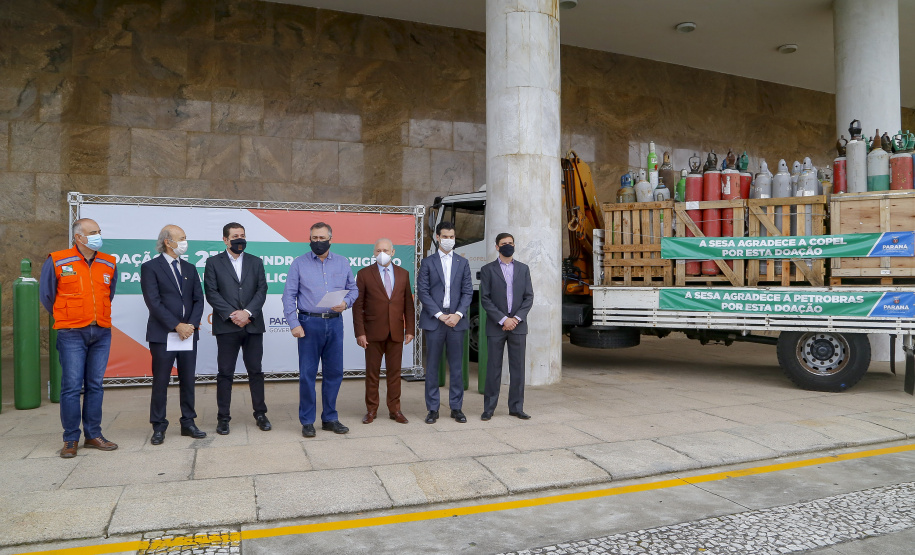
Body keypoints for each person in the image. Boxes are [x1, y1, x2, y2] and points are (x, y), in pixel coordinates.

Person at [39, 218, 119, 458]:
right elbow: (47, 295)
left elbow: (109, 293)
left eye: (99, 231)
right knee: (72, 387)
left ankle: (93, 434)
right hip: (71, 333)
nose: (98, 236)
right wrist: (71, 315)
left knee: (95, 385)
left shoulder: (109, 262)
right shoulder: (57, 259)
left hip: (101, 331)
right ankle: (71, 438)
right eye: (92, 232)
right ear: (78, 237)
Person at [282, 222, 358, 438]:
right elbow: (288, 295)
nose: (317, 242)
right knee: (307, 374)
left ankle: (330, 418)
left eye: (321, 238)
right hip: (308, 323)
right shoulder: (299, 263)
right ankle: (307, 421)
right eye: (314, 238)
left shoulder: (343, 263)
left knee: (334, 373)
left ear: (330, 239)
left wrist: (346, 303)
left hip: (335, 323)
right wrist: (293, 323)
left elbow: (353, 289)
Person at [140, 225, 206, 445]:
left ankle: (188, 422)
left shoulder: (189, 268)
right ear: (168, 242)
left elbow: (199, 299)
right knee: (161, 381)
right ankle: (159, 426)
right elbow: (154, 302)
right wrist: (177, 325)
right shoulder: (150, 267)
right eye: (182, 238)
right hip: (163, 335)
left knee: (188, 380)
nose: (185, 242)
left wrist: (192, 325)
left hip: (188, 334)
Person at [203, 222, 271, 435]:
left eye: (242, 235)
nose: (239, 239)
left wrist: (248, 313)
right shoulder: (213, 262)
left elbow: (262, 289)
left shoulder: (256, 262)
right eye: (235, 236)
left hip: (252, 325)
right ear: (225, 240)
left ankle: (260, 413)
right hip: (227, 326)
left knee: (256, 371)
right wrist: (234, 315)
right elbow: (211, 292)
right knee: (225, 373)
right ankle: (223, 418)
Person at [353, 238, 415, 424]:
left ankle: (395, 410)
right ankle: (371, 410)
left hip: (396, 332)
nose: (382, 253)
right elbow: (358, 306)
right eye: (379, 250)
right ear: (373, 252)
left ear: (393, 252)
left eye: (386, 250)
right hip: (372, 333)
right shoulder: (364, 274)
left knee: (394, 373)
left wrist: (409, 329)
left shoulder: (403, 274)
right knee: (372, 373)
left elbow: (408, 305)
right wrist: (360, 333)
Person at [416, 221, 473, 424]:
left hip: (457, 321)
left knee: (456, 367)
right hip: (435, 321)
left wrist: (457, 314)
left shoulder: (462, 262)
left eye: (452, 237)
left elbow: (468, 291)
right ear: (438, 237)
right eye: (445, 236)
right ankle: (432, 409)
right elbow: (423, 291)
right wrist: (440, 315)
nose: (449, 240)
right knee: (432, 366)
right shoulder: (428, 263)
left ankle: (456, 407)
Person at [480, 232, 534, 421]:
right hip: (497, 326)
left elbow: (529, 297)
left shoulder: (523, 269)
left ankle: (516, 407)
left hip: (518, 326)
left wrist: (516, 319)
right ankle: (489, 408)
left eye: (510, 243)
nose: (507, 246)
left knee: (518, 368)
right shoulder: (488, 270)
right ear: (497, 247)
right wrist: (503, 319)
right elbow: (485, 299)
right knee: (493, 368)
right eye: (504, 244)